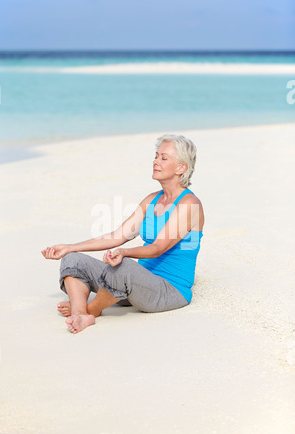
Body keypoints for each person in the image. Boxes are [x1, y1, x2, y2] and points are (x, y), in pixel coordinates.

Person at [41, 135, 204, 334]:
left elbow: (157, 248)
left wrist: (124, 253)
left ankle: (90, 310)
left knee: (123, 266)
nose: (155, 161)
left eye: (164, 158)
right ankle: (79, 312)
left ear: (181, 168)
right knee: (73, 260)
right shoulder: (151, 200)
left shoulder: (190, 205)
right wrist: (71, 247)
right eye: (156, 156)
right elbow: (117, 235)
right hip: (136, 284)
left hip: (169, 290)